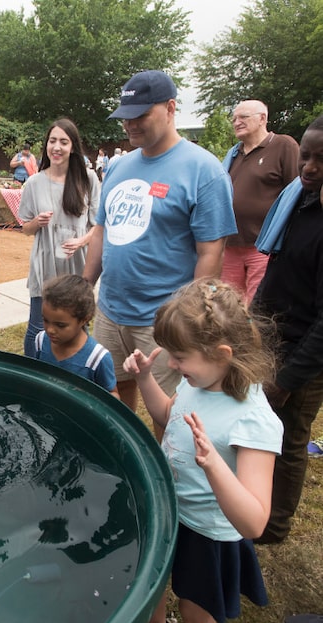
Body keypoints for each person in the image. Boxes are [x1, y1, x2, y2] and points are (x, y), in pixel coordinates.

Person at [123, 278, 282, 623]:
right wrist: (146, 380)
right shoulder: (198, 381)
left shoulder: (253, 420)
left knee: (196, 607)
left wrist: (213, 464)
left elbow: (254, 522)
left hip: (207, 535)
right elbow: (168, 415)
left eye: (179, 357)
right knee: (152, 585)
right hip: (169, 512)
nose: (172, 366)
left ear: (222, 354)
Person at [82, 69, 236, 417]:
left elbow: (211, 252)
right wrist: (85, 286)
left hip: (162, 320)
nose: (130, 125)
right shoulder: (119, 167)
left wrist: (189, 318)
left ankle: (165, 469)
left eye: (140, 116)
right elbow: (102, 231)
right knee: (115, 395)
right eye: (125, 118)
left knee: (167, 409)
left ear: (170, 108)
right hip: (111, 311)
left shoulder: (204, 171)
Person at [252, 114, 323, 544]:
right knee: (261, 428)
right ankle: (255, 507)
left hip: (306, 353)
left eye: (321, 159)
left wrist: (288, 378)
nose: (310, 166)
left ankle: (274, 526)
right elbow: (278, 269)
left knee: (290, 438)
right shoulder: (298, 199)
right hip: (273, 335)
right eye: (307, 156)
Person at [19, 118, 100, 357]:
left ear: (73, 147)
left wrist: (82, 241)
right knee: (37, 326)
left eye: (63, 142)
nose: (57, 147)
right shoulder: (34, 183)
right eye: (52, 141)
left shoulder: (89, 179)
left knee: (78, 324)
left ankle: (75, 375)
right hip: (44, 264)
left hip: (76, 265)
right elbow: (25, 228)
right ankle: (33, 374)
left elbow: (98, 225)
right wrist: (37, 223)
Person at [221, 100, 299, 304]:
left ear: (262, 118)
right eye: (234, 119)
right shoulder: (233, 154)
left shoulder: (283, 145)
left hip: (263, 246)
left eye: (243, 117)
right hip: (231, 244)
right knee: (229, 306)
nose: (236, 122)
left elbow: (297, 192)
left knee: (257, 305)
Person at [33, 274, 117, 396]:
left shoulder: (96, 358)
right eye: (45, 320)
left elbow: (112, 395)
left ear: (83, 319)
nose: (50, 330)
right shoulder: (41, 341)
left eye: (60, 325)